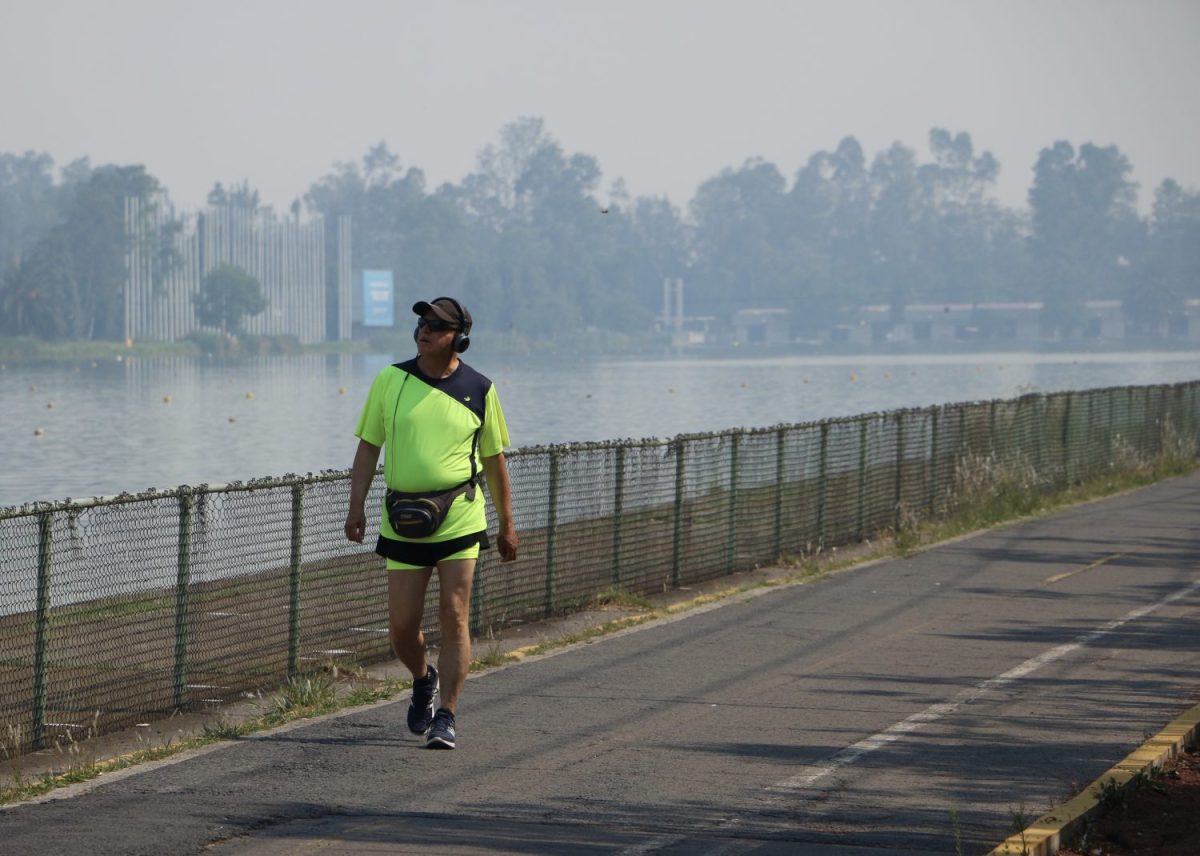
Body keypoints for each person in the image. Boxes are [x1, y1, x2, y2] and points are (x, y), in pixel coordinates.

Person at [344, 296, 518, 750]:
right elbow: (368, 447)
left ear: (458, 338)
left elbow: (495, 461)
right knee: (402, 628)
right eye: (422, 323)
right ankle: (424, 679)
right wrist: (355, 505)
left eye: (437, 326)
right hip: (403, 519)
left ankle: (447, 715)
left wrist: (507, 524)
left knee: (455, 615)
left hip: (460, 516)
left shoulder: (480, 388)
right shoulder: (391, 380)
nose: (425, 331)